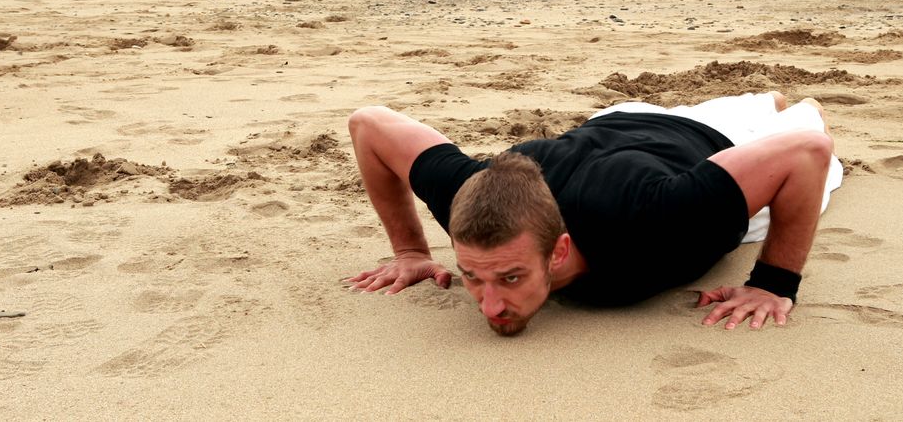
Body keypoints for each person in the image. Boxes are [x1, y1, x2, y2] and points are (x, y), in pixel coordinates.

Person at [347, 91, 843, 336]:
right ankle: (759, 100)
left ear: (559, 250)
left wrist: (774, 283)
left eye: (511, 277)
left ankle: (779, 103)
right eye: (472, 277)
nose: (488, 304)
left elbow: (805, 154)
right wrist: (409, 251)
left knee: (809, 132)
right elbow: (369, 123)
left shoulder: (659, 217)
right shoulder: (468, 201)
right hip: (612, 120)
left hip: (713, 141)